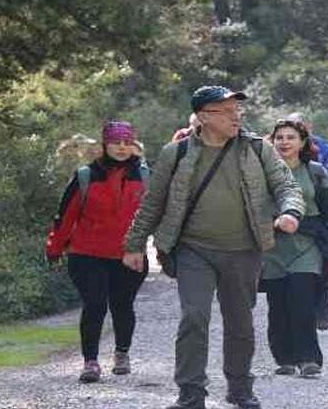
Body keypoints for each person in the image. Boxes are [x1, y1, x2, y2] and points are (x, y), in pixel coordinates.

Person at [123, 86, 305, 409]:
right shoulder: (175, 153)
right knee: (194, 317)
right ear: (204, 117)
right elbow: (152, 203)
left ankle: (240, 388)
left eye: (238, 110)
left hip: (244, 249)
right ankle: (191, 393)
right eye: (227, 111)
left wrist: (291, 212)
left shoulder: (257, 148)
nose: (237, 116)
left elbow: (285, 186)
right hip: (194, 249)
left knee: (240, 322)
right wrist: (134, 244)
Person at [45, 121, 148, 383]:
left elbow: (154, 214)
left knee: (123, 305)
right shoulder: (86, 176)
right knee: (95, 304)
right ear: (105, 145)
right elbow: (65, 216)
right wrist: (55, 248)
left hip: (129, 254)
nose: (122, 148)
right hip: (87, 254)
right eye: (116, 142)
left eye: (127, 142)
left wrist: (162, 249)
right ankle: (90, 362)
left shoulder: (144, 176)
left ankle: (122, 353)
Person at [260, 119, 328, 377]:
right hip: (272, 247)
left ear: (302, 142)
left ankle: (309, 359)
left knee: (302, 302)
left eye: (290, 137)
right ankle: (285, 358)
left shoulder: (315, 171)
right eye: (279, 137)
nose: (284, 142)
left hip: (307, 246)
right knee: (278, 304)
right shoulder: (261, 171)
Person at [285, 112, 328, 331]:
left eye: (301, 126)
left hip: (326, 219)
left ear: (309, 128)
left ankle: (323, 306)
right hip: (293, 220)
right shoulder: (276, 153)